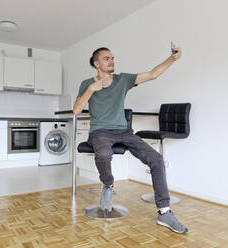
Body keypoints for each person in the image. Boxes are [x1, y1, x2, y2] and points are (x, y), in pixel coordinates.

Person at [73, 46, 188, 234]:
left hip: (124, 132)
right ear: (96, 63)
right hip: (100, 132)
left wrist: (172, 59)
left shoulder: (122, 80)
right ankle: (108, 184)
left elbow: (152, 74)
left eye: (112, 58)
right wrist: (91, 90)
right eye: (106, 58)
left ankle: (165, 213)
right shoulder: (86, 83)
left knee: (157, 160)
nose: (111, 61)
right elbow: (76, 110)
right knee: (103, 153)